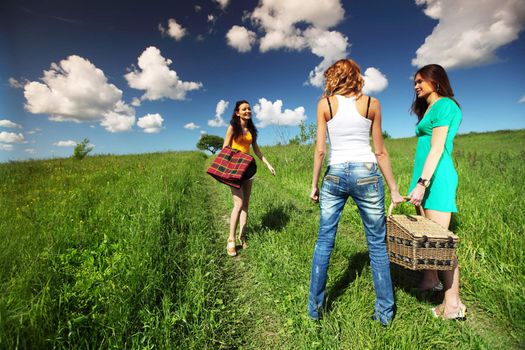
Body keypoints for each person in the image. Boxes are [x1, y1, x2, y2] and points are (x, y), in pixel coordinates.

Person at [308, 59, 404, 326]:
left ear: (334, 76)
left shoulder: (325, 104)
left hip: (335, 173)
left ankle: (314, 310)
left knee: (325, 240)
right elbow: (380, 151)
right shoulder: (372, 103)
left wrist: (314, 184)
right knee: (377, 244)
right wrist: (394, 190)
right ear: (356, 76)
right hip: (367, 173)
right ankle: (385, 314)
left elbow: (319, 150)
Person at [408, 64, 466, 319]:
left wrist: (423, 183)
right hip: (425, 178)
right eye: (415, 82)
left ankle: (453, 304)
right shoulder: (430, 108)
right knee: (428, 237)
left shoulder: (445, 105)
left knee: (442, 244)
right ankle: (430, 279)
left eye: (421, 81)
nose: (416, 85)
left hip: (436, 179)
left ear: (436, 81)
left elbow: (437, 147)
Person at [222, 100, 276, 257]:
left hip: (248, 168)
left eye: (249, 109)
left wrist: (268, 164)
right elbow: (225, 147)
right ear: (237, 112)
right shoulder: (233, 127)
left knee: (245, 204)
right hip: (234, 168)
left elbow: (256, 150)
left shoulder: (251, 129)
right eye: (244, 109)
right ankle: (231, 239)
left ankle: (242, 236)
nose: (248, 111)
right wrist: (226, 167)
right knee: (238, 204)